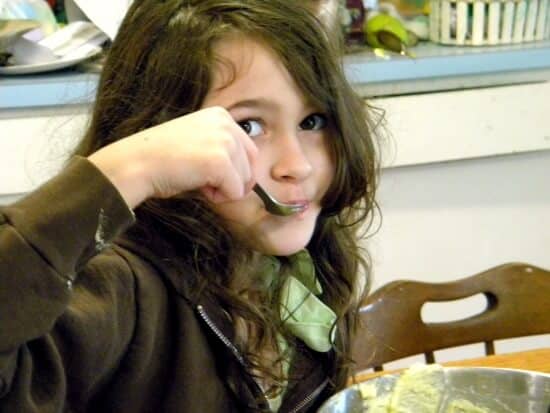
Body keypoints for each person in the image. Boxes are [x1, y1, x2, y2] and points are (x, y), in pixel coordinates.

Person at [0, 0, 379, 411]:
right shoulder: (118, 285)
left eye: (312, 122)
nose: (297, 166)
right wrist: (123, 170)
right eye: (248, 126)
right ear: (157, 132)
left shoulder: (297, 267)